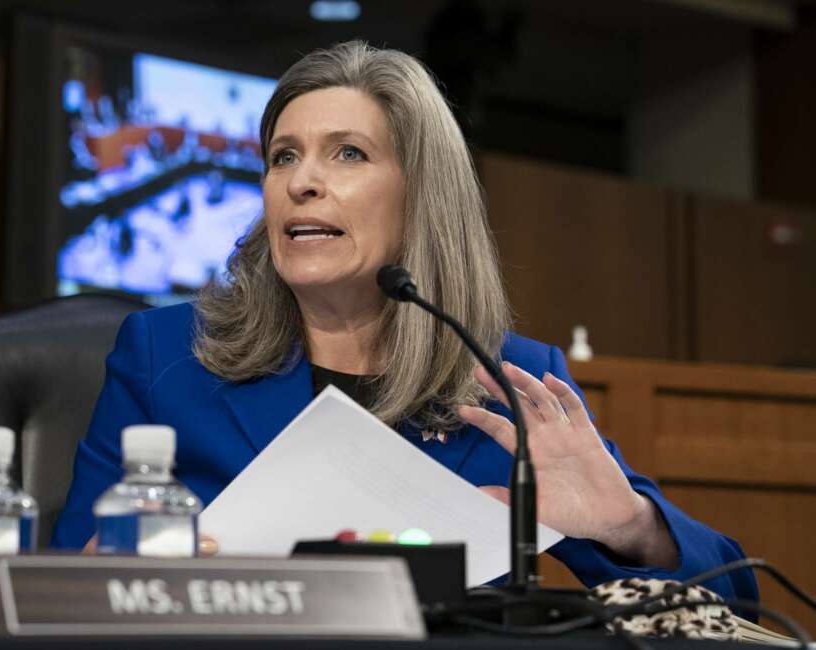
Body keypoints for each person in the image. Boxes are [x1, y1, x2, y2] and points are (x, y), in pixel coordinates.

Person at [52, 41, 757, 602]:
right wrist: (116, 571)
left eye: (348, 153)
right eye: (282, 157)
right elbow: (54, 591)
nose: (301, 181)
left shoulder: (512, 380)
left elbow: (737, 604)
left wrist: (629, 526)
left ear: (424, 195)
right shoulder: (167, 355)